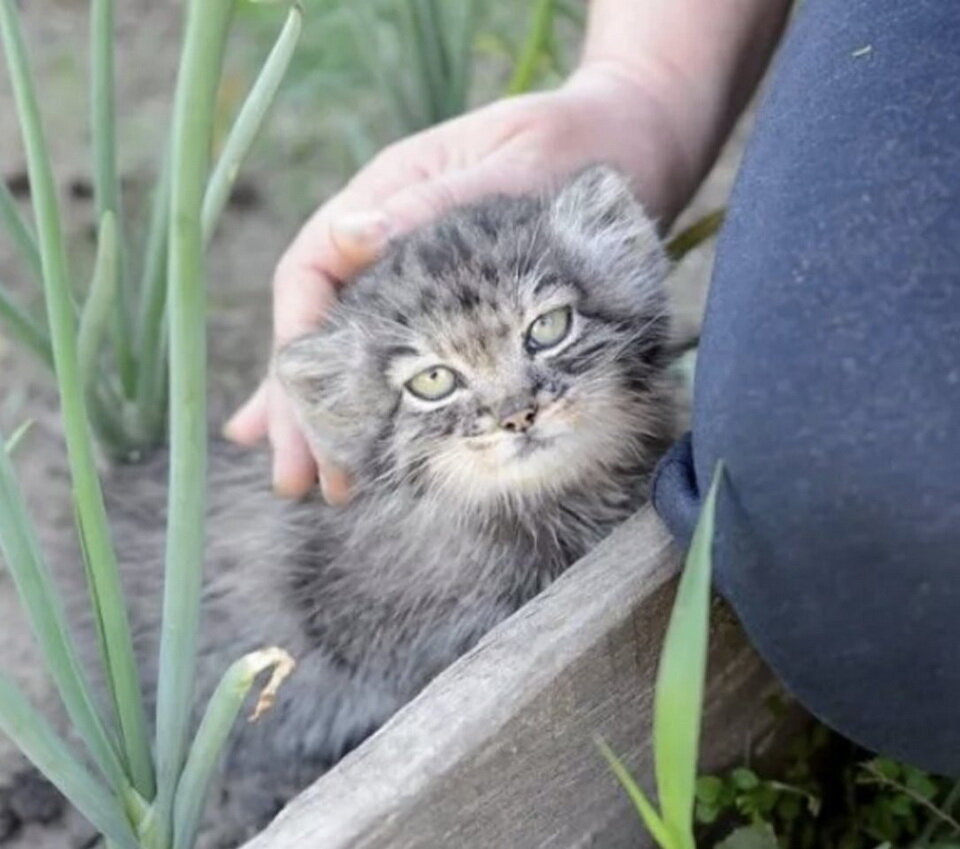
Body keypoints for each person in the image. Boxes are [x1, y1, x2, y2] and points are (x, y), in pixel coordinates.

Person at [225, 0, 960, 776]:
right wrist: (640, 89)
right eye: (436, 383)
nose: (514, 410)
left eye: (545, 330)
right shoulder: (410, 565)